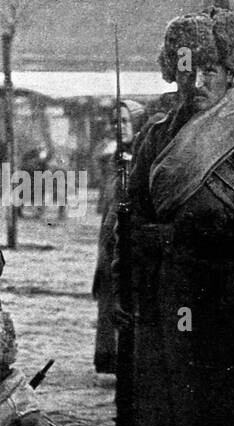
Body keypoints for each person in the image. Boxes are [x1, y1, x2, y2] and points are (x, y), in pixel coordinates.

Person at [119, 8, 234, 426]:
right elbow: (129, 214)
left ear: (229, 70)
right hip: (161, 296)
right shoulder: (158, 133)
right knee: (161, 418)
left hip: (224, 299)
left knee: (221, 415)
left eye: (211, 69)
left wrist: (190, 233)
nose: (198, 81)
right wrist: (124, 293)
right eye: (187, 68)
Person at [92, 100, 146, 375]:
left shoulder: (145, 154)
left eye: (124, 121)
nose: (118, 127)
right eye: (114, 122)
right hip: (109, 241)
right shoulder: (113, 160)